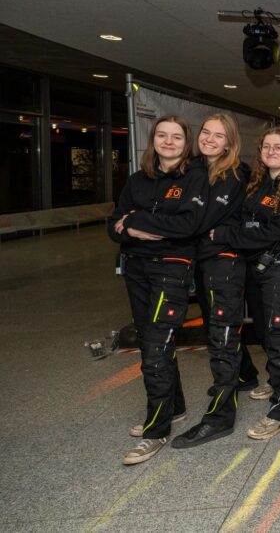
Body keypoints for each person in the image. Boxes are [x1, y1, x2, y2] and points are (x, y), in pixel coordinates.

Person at [107, 115, 208, 465]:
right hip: (136, 269)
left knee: (155, 346)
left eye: (176, 137)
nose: (168, 142)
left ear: (186, 143)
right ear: (153, 140)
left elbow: (188, 225)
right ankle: (174, 408)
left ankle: (156, 430)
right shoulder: (137, 180)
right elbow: (112, 224)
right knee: (151, 338)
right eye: (162, 135)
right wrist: (127, 228)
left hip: (171, 269)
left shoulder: (195, 177)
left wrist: (134, 221)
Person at [211, 127, 280, 440]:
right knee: (267, 331)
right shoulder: (258, 183)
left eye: (278, 146)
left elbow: (276, 232)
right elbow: (248, 223)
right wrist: (242, 235)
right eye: (266, 146)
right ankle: (277, 382)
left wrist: (227, 235)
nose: (270, 151)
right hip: (258, 265)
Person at [173, 113, 256, 448]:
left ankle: (220, 418)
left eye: (218, 135)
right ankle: (246, 375)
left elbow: (197, 219)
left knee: (222, 337)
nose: (209, 139)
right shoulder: (193, 168)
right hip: (203, 262)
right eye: (205, 132)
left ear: (229, 143)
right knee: (216, 329)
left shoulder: (234, 174)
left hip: (225, 263)